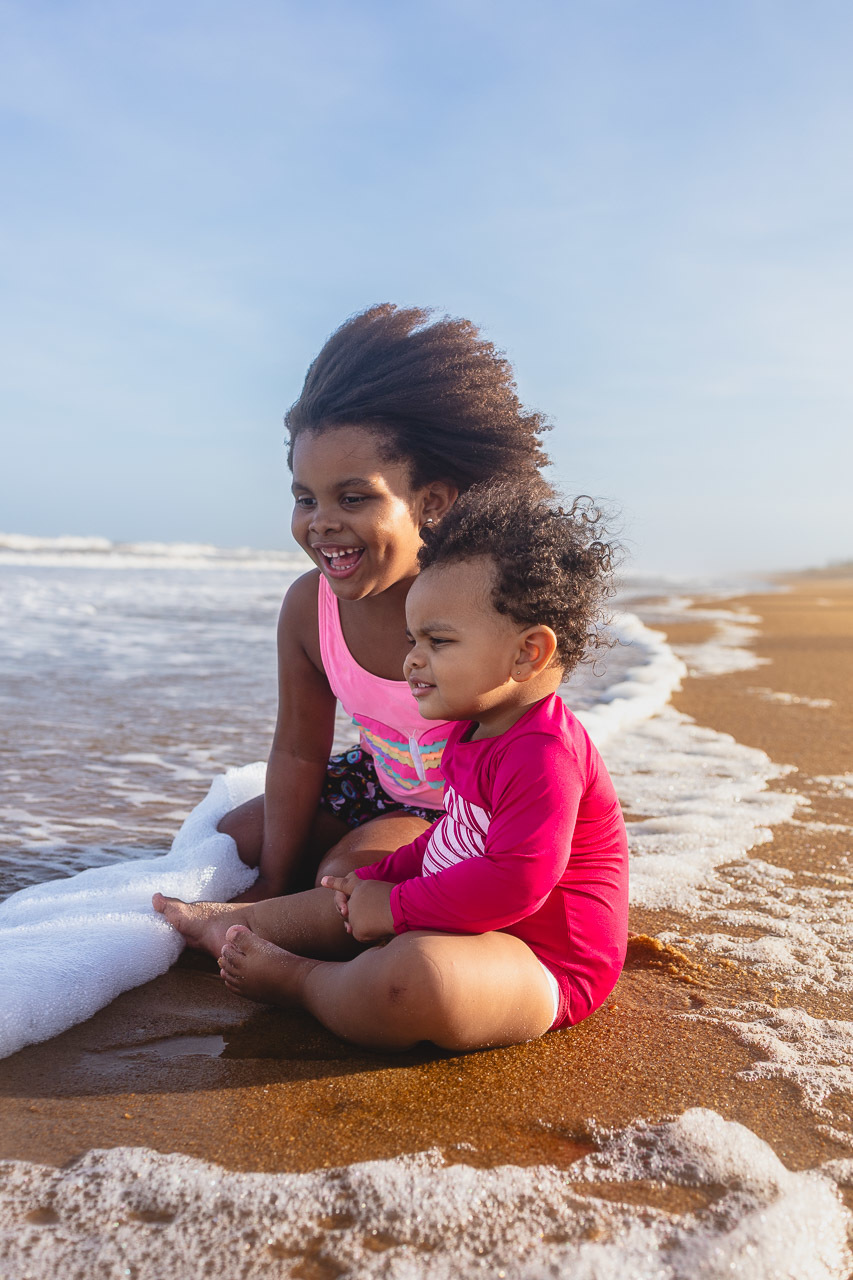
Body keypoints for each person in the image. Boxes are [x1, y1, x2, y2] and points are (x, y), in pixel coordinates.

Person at [153, 482, 628, 1052]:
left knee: (416, 979)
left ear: (528, 652)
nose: (413, 659)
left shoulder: (544, 754)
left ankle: (302, 981)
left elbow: (516, 882)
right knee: (345, 897)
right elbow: (449, 841)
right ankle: (222, 927)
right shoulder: (469, 730)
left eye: (439, 640)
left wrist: (397, 905)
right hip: (467, 914)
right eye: (412, 638)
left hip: (538, 959)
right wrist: (380, 879)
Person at [220, 304, 551, 901]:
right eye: (305, 499)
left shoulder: (486, 608)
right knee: (228, 843)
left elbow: (538, 755)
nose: (322, 524)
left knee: (343, 885)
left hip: (467, 808)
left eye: (352, 499)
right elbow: (297, 751)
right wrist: (271, 878)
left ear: (432, 501)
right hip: (379, 782)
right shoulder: (309, 609)